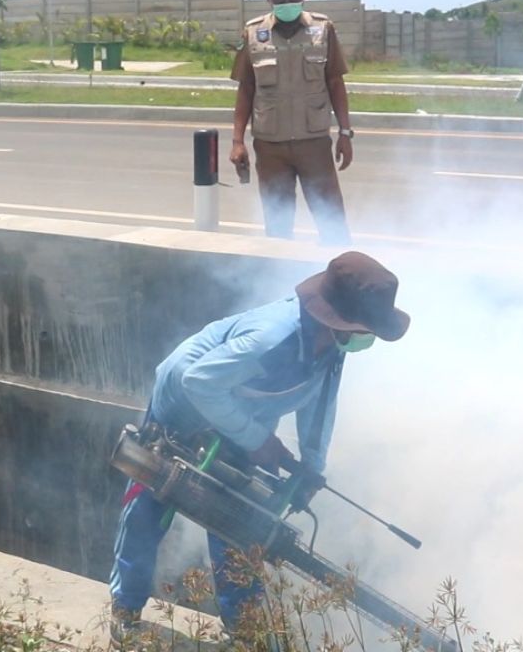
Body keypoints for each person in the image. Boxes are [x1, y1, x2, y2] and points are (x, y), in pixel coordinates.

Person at [107, 251, 410, 644]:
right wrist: (257, 440)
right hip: (182, 411)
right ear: (337, 321)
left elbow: (320, 406)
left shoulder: (330, 349)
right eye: (365, 327)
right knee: (150, 509)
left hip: (241, 414)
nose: (366, 335)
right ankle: (125, 611)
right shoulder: (272, 337)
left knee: (240, 522)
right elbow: (198, 382)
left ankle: (245, 631)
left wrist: (309, 468)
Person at [229, 0, 355, 245]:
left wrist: (345, 134)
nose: (287, 1)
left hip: (314, 146)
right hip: (270, 149)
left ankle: (336, 282)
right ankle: (281, 284)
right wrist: (238, 141)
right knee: (277, 230)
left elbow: (335, 82)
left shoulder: (323, 30)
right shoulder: (253, 34)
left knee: (332, 224)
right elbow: (246, 88)